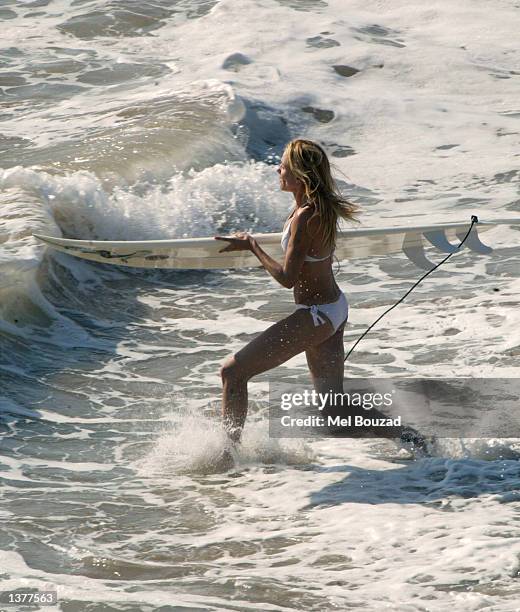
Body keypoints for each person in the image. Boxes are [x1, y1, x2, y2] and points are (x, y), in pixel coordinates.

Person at [214, 139, 409, 451]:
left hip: (316, 315)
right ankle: (408, 436)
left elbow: (288, 278)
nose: (278, 170)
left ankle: (227, 455)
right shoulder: (313, 209)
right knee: (334, 411)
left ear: (300, 175)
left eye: (283, 166)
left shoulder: (306, 216)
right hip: (333, 308)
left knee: (232, 372)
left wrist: (252, 246)